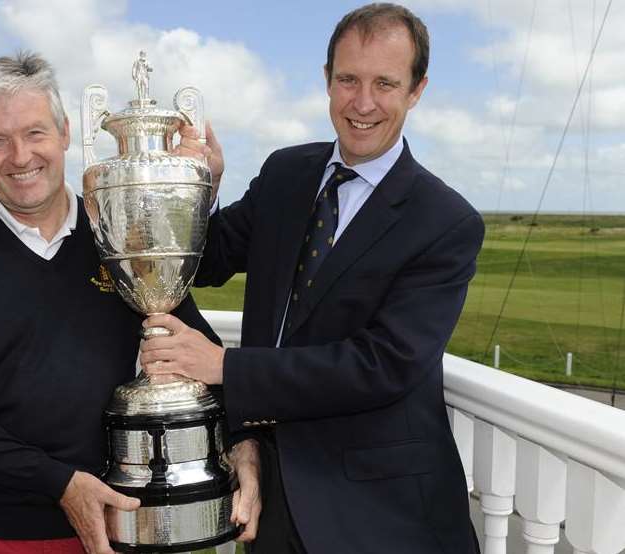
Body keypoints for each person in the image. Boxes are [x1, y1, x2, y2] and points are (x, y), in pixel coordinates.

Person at [0, 51, 260, 554]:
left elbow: (199, 353)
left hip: (109, 533)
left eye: (35, 133)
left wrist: (245, 448)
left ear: (64, 134)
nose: (19, 157)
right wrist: (59, 482)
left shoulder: (118, 235)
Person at [141, 4, 484, 553]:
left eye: (385, 83)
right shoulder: (285, 174)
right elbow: (205, 262)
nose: (363, 102)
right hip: (272, 493)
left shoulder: (445, 222)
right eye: (348, 79)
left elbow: (383, 366)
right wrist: (196, 188)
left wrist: (225, 367)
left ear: (416, 90)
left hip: (383, 517)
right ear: (327, 80)